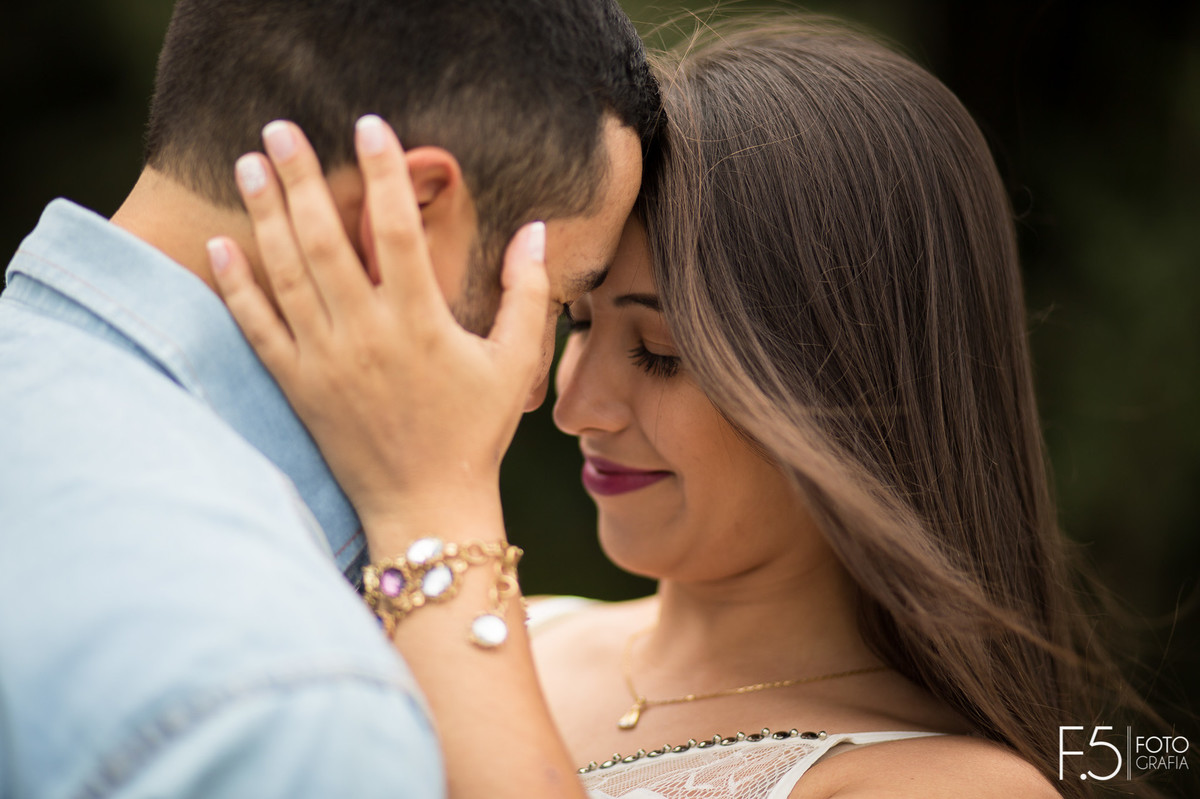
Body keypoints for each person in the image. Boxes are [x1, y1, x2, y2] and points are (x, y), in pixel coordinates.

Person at [209, 14, 1170, 799]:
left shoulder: (949, 785)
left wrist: (431, 510)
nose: (574, 406)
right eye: (576, 321)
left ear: (855, 385)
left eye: (661, 354)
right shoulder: (501, 627)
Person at [0, 1, 661, 796]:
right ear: (404, 218)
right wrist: (440, 504)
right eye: (552, 304)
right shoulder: (293, 699)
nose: (534, 392)